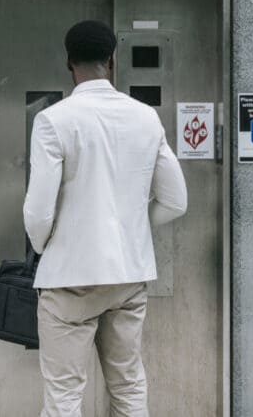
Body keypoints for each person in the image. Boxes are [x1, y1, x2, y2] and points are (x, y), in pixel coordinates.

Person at [24, 21, 187, 417]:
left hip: (69, 280)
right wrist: (128, 227)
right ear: (113, 60)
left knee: (64, 397)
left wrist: (49, 245)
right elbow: (175, 200)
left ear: (68, 63)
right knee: (129, 386)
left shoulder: (53, 120)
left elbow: (38, 209)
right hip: (128, 277)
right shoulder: (146, 117)